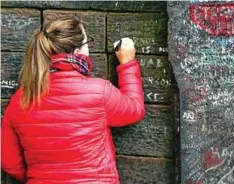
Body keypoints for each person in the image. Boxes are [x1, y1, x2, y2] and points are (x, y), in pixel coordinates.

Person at [1, 17, 145, 184]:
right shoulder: (99, 92)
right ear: (77, 52)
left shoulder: (21, 99)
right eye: (87, 42)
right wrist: (127, 63)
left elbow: (9, 161)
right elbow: (134, 110)